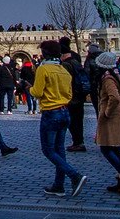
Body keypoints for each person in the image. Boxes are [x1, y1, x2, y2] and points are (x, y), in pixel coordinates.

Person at [34, 41, 84, 198]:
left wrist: (27, 87)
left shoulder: (44, 69)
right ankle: (58, 185)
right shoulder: (63, 70)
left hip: (50, 112)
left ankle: (74, 175)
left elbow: (37, 91)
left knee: (48, 149)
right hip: (64, 111)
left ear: (46, 53)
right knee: (60, 149)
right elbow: (69, 94)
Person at [93, 50, 120, 195]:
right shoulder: (116, 75)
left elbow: (115, 97)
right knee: (117, 147)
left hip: (111, 116)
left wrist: (107, 112)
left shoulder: (107, 79)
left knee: (105, 148)